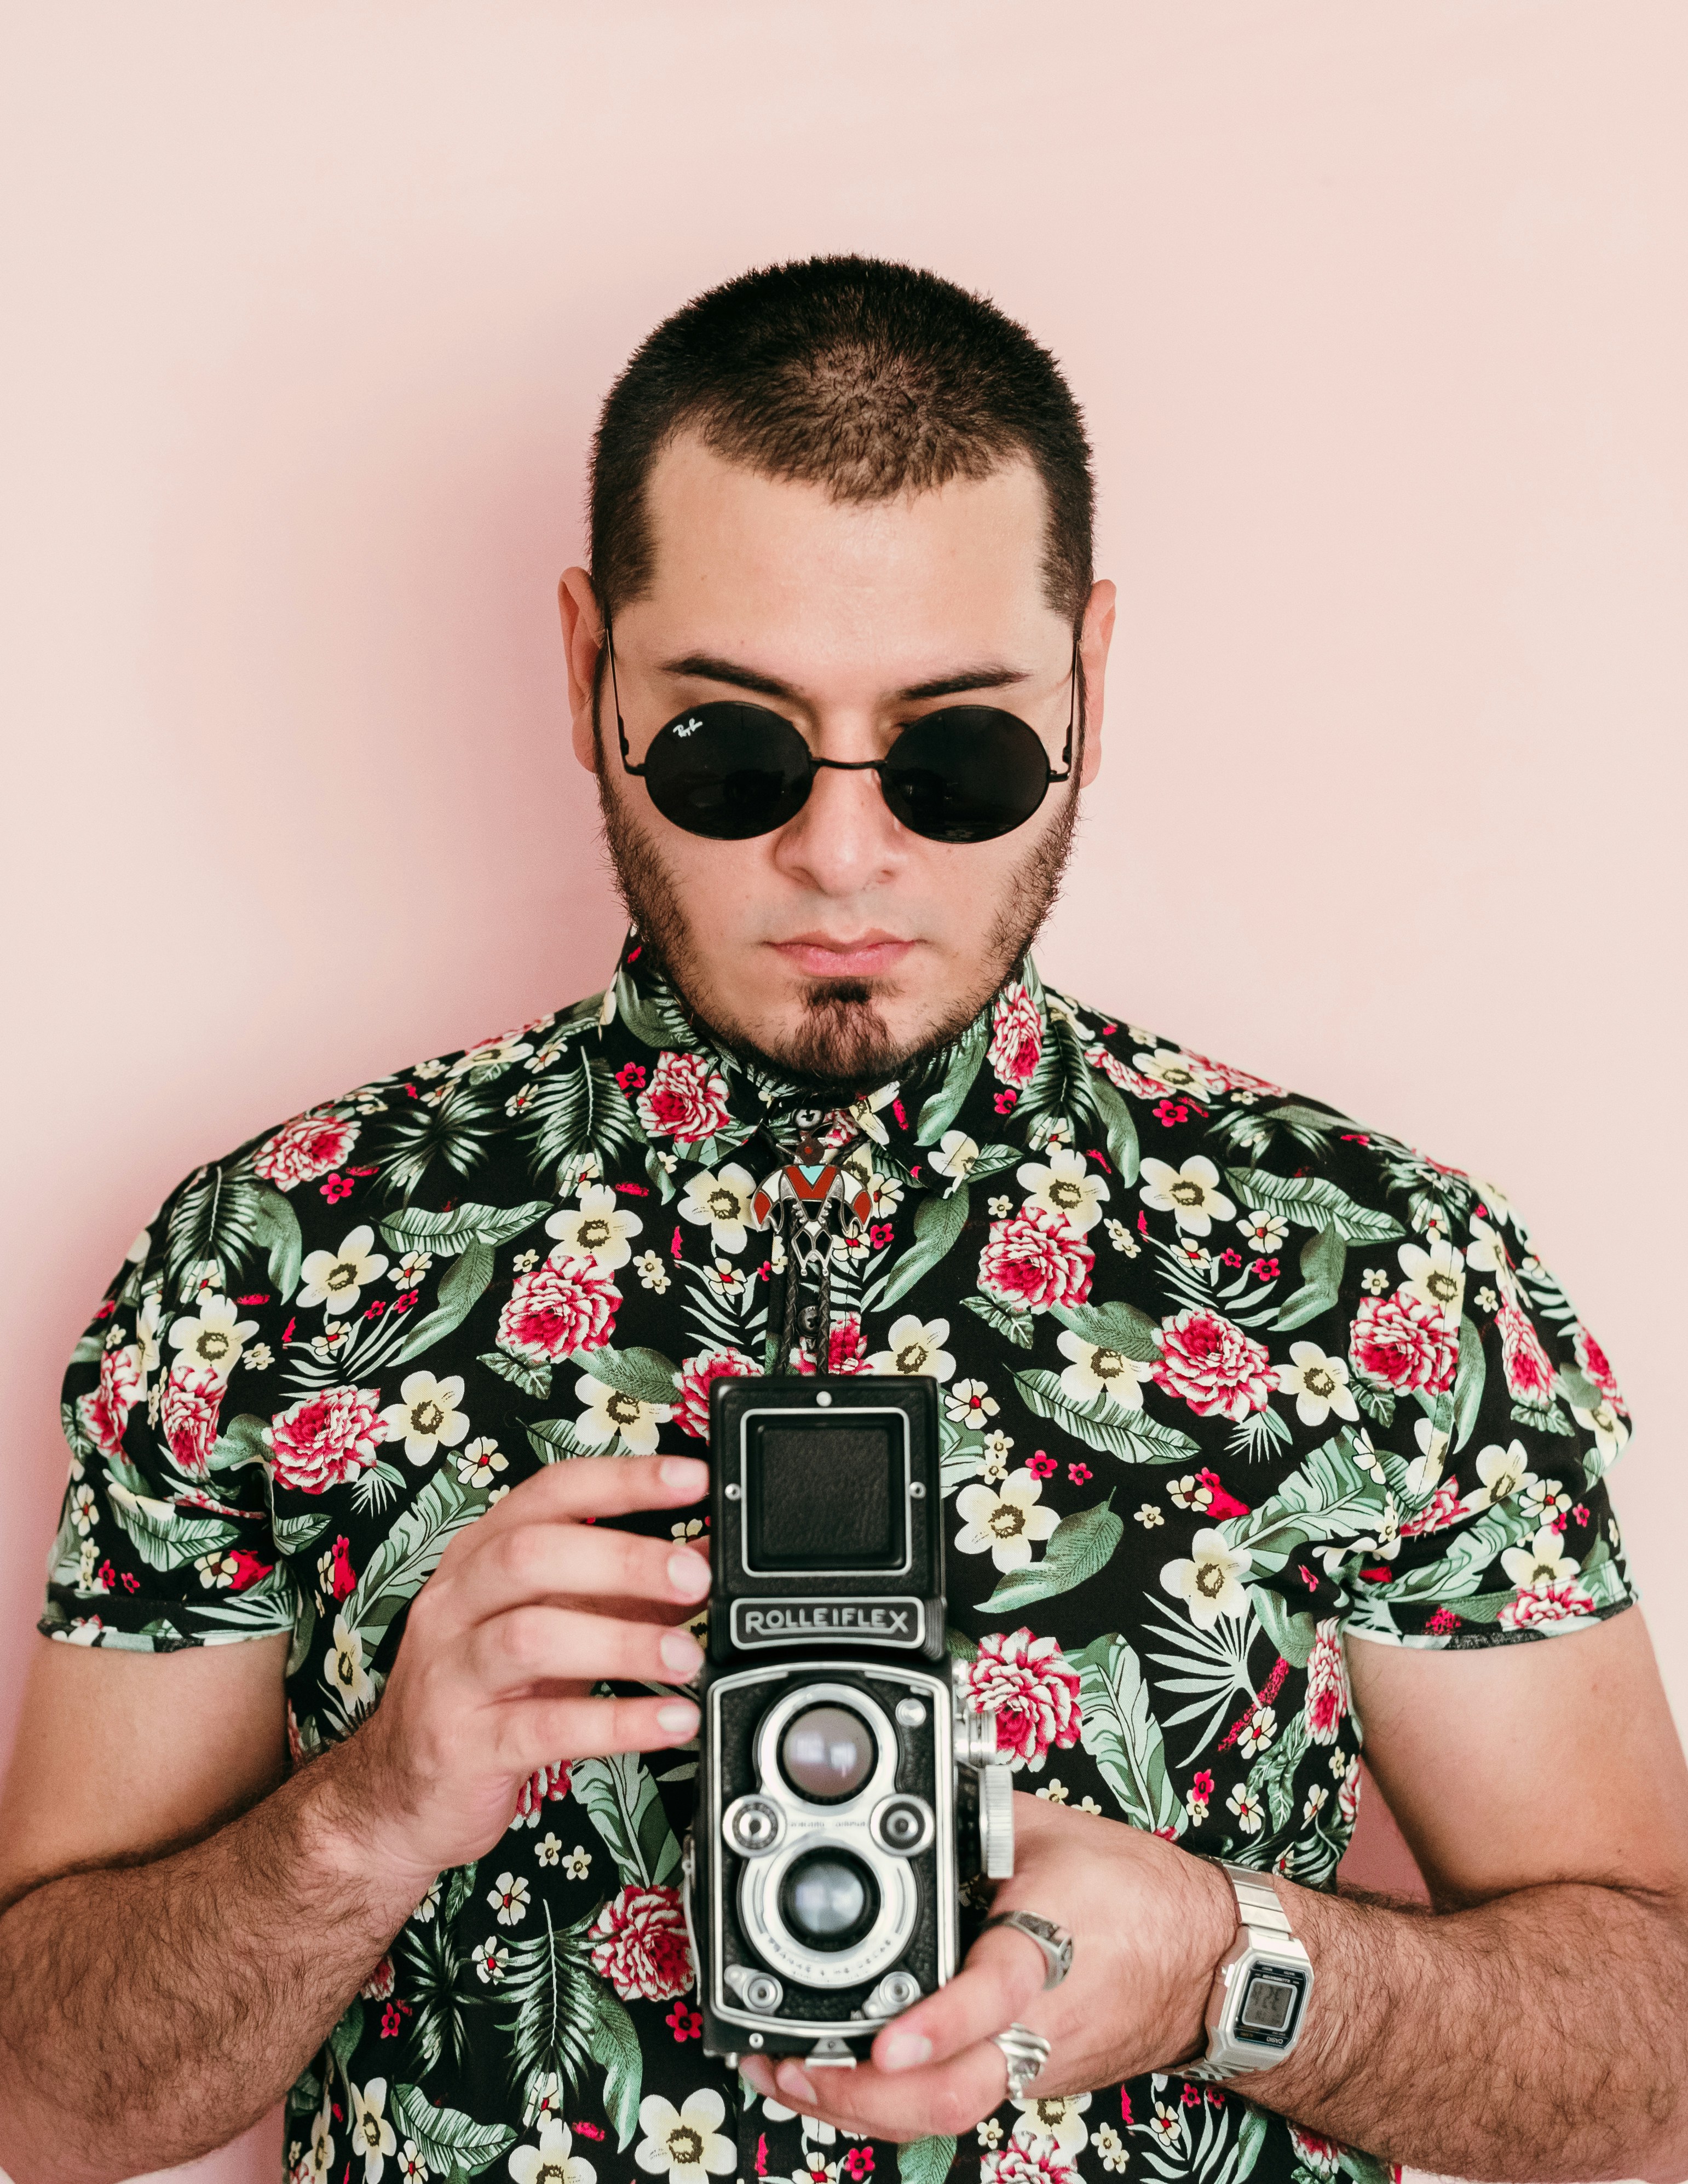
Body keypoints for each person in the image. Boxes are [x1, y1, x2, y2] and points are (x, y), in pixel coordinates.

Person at [1, 256, 1684, 2184]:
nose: (843, 854)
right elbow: (40, 2096)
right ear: (586, 673)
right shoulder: (274, 1262)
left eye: (958, 753)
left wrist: (1230, 1965)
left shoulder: (1370, 1274)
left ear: (1091, 682)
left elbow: (1650, 2061)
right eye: (735, 750)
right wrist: (365, 1814)